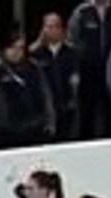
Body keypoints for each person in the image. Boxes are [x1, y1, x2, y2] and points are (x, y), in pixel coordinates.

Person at [0, 29, 55, 149]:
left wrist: (50, 122)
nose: (16, 52)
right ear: (4, 49)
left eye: (20, 48)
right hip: (5, 133)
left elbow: (46, 96)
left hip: (34, 129)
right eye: (12, 48)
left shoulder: (34, 68)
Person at [68, 0, 111, 139]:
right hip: (88, 72)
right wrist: (75, 71)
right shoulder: (81, 12)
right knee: (87, 115)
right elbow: (72, 44)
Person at [31, 13, 80, 142]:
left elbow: (76, 79)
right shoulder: (36, 54)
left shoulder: (72, 53)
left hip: (66, 107)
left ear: (62, 29)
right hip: (44, 109)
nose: (52, 30)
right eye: (48, 27)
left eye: (55, 26)